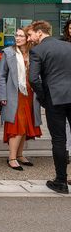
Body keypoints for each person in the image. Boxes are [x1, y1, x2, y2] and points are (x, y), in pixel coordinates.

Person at [27, 20, 71, 194]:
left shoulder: (38, 50)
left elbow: (33, 79)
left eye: (31, 35)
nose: (30, 39)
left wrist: (44, 98)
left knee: (59, 139)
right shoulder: (68, 46)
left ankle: (61, 181)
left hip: (55, 97)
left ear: (40, 32)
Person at [0, 27, 42, 171]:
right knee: (17, 125)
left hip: (30, 94)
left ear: (28, 37)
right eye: (16, 35)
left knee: (26, 126)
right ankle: (12, 158)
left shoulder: (35, 52)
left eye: (21, 35)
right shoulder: (8, 52)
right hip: (14, 94)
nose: (18, 38)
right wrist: (2, 96)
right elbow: (1, 76)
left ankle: (20, 155)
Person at [60, 19, 71, 164]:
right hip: (66, 86)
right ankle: (67, 150)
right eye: (70, 28)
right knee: (67, 124)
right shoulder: (63, 43)